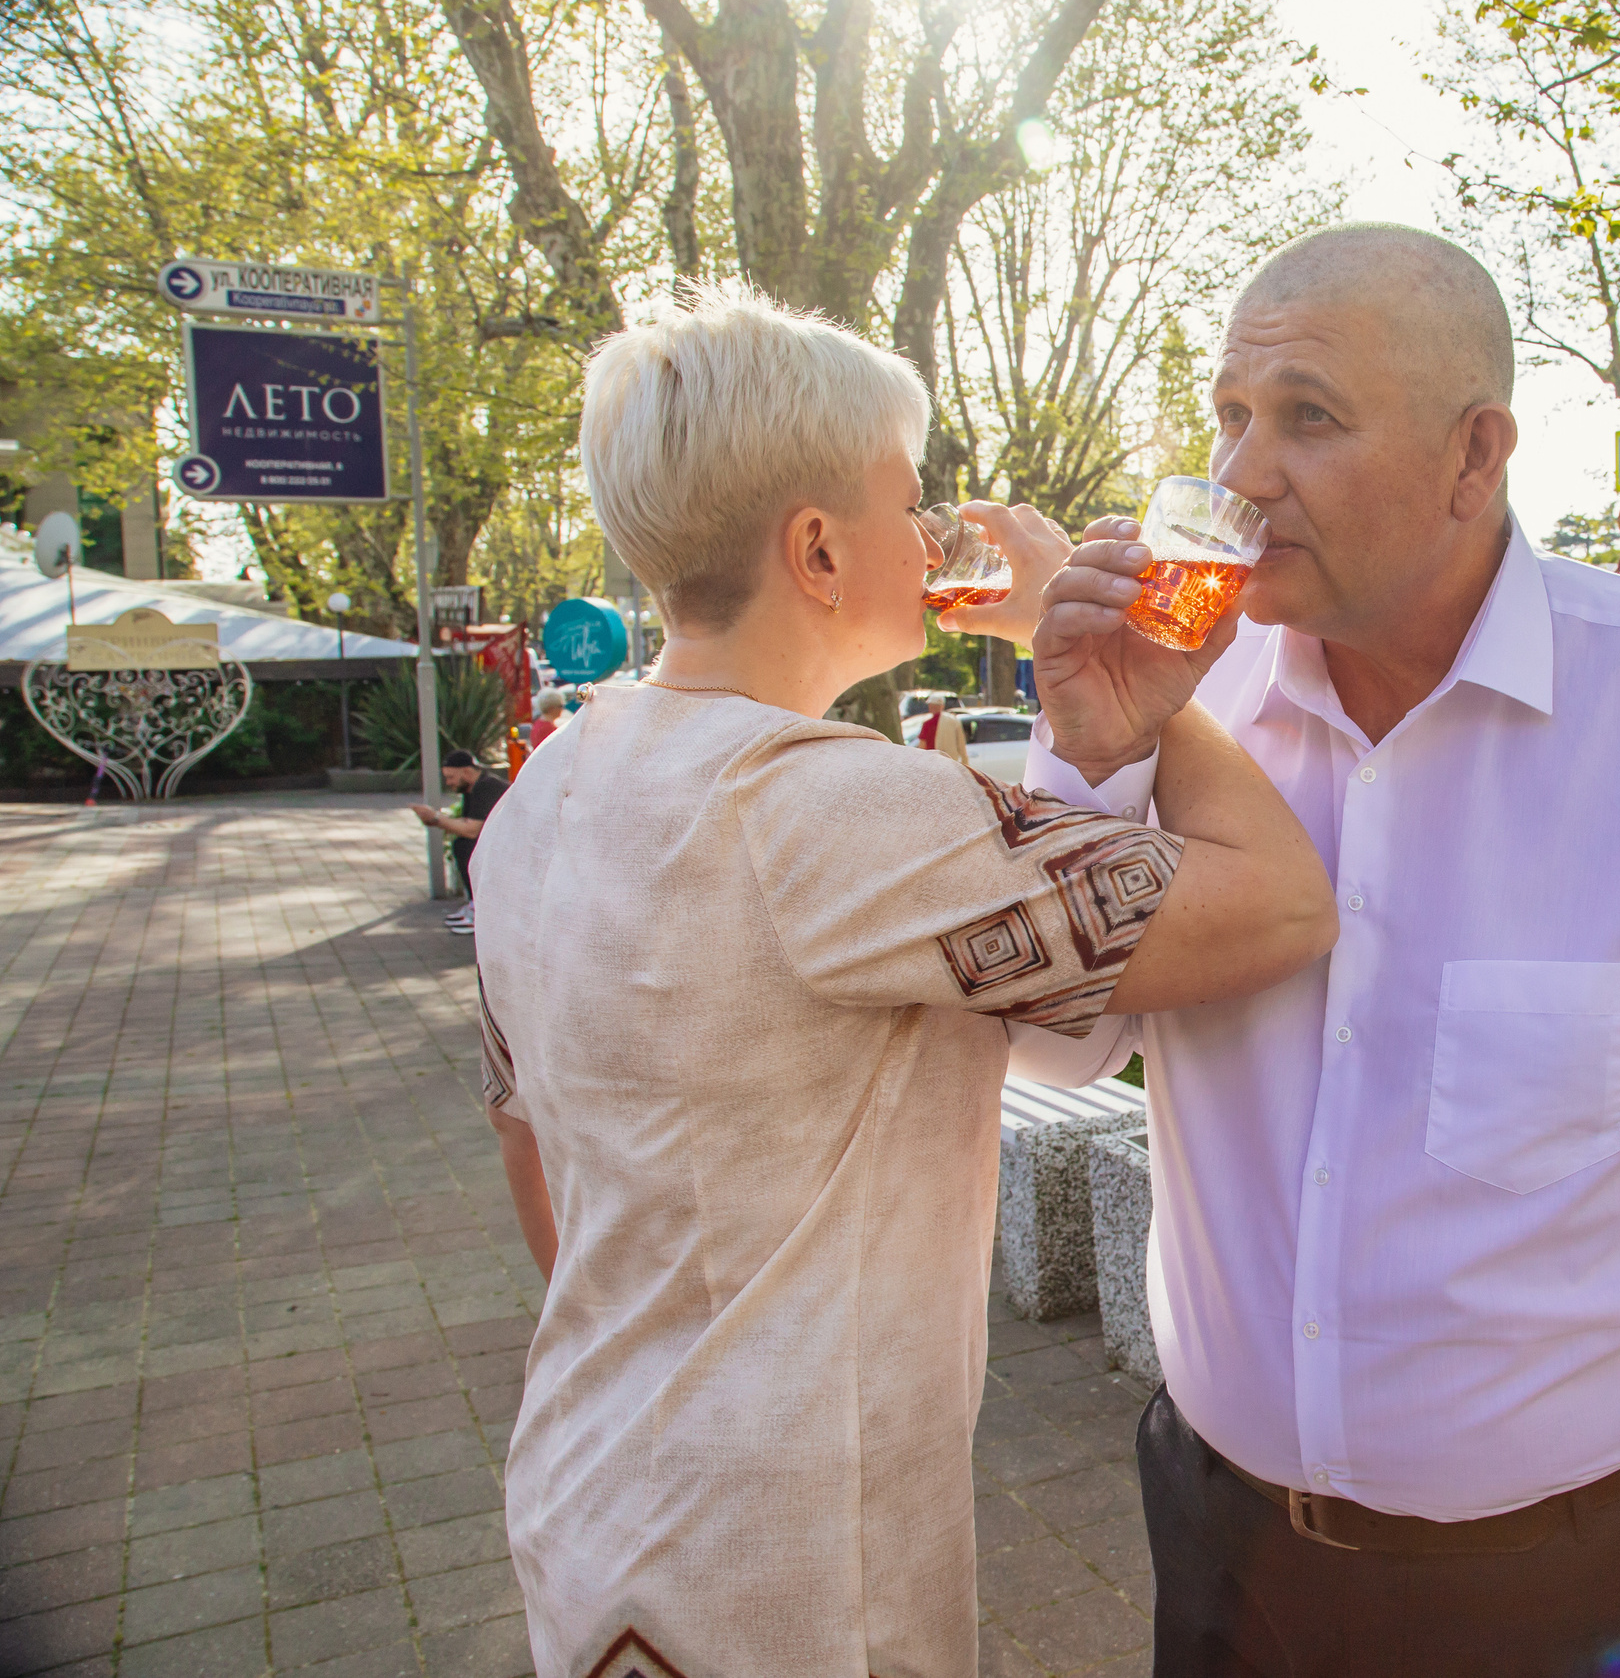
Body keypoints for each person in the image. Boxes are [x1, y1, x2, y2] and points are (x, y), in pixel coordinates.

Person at [1012, 225, 1620, 1678]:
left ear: (1477, 453)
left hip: (1594, 1577)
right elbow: (1049, 1048)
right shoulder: (1166, 701)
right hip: (1227, 1548)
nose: (1239, 473)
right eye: (1231, 414)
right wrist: (1095, 765)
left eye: (1306, 417)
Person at [467, 280, 1335, 1678]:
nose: (934, 534)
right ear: (818, 549)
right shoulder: (827, 811)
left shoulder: (548, 789)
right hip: (783, 1569)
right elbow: (1282, 901)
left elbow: (527, 1138)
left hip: (592, 1492)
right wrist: (1129, 673)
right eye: (908, 500)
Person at [409, 750, 507, 936]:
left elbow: (472, 830)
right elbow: (469, 825)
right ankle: (474, 903)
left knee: (467, 847)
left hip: (512, 846)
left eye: (451, 777)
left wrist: (436, 818)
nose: (449, 783)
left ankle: (481, 910)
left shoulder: (487, 787)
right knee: (462, 846)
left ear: (466, 772)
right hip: (499, 842)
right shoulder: (473, 788)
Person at [916, 691, 970, 765]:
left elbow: (922, 746)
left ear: (931, 706)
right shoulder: (954, 721)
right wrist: (965, 761)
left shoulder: (927, 724)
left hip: (932, 762)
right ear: (942, 706)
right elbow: (961, 744)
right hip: (951, 762)